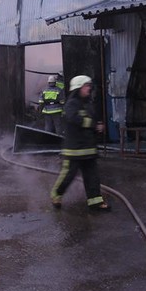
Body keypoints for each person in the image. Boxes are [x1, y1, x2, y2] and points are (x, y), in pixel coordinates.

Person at [50, 75, 110, 212]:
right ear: (78, 88)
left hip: (89, 149)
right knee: (68, 176)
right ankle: (56, 194)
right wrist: (93, 125)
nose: (89, 88)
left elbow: (93, 120)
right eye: (86, 86)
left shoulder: (88, 104)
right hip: (74, 150)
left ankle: (95, 202)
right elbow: (73, 118)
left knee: (92, 178)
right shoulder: (72, 104)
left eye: (89, 86)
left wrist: (99, 126)